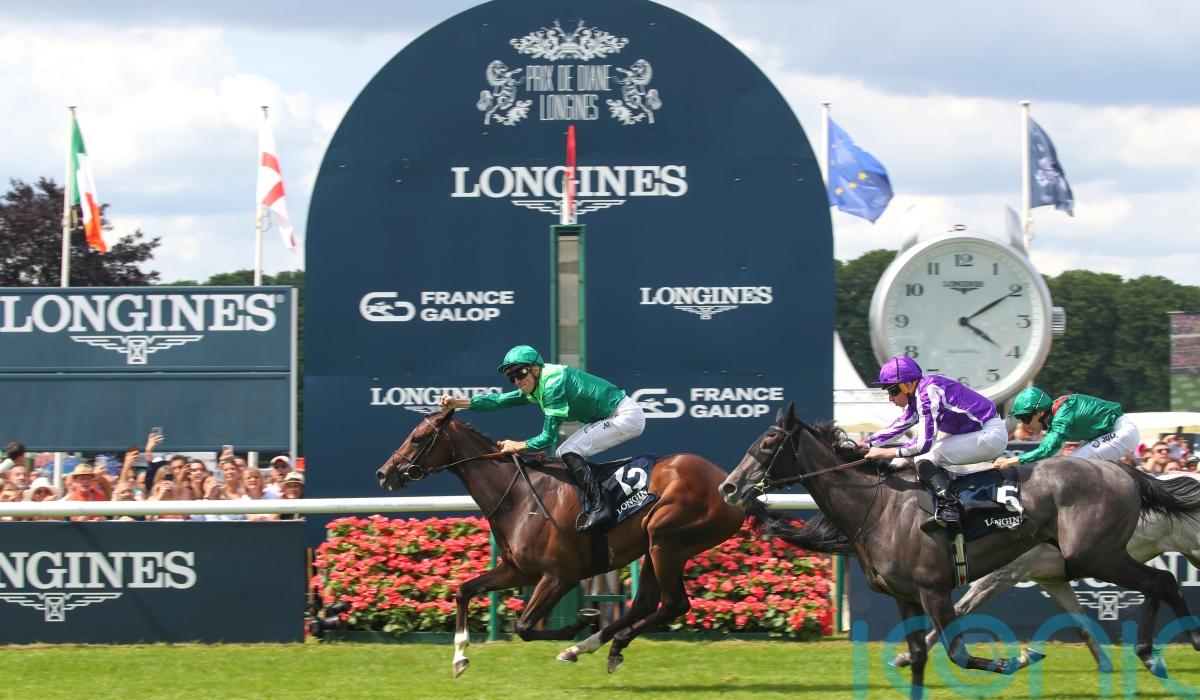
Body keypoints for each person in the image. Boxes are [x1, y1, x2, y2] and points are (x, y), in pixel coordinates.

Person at [437, 344, 646, 532]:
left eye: (520, 373)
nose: (516, 381)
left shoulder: (552, 385)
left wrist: (518, 445)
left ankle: (600, 506)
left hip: (625, 416)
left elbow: (547, 438)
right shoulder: (539, 381)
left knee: (567, 451)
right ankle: (600, 498)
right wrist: (458, 403)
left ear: (535, 369)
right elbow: (499, 400)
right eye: (511, 377)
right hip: (613, 415)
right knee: (568, 451)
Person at [863, 355, 1006, 532]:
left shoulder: (928, 392)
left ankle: (949, 508)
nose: (890, 398)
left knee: (923, 456)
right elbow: (900, 425)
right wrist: (867, 444)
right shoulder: (919, 393)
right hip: (979, 432)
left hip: (990, 434)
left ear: (908, 385)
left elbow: (923, 445)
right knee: (904, 460)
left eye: (892, 391)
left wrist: (884, 452)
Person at [993, 387, 1140, 470]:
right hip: (1116, 432)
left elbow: (1046, 451)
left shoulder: (1062, 416)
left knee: (1071, 465)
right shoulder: (1057, 415)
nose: (1025, 425)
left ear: (1040, 412)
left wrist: (1010, 461)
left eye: (1026, 418)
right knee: (1068, 462)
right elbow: (1047, 450)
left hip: (1122, 432)